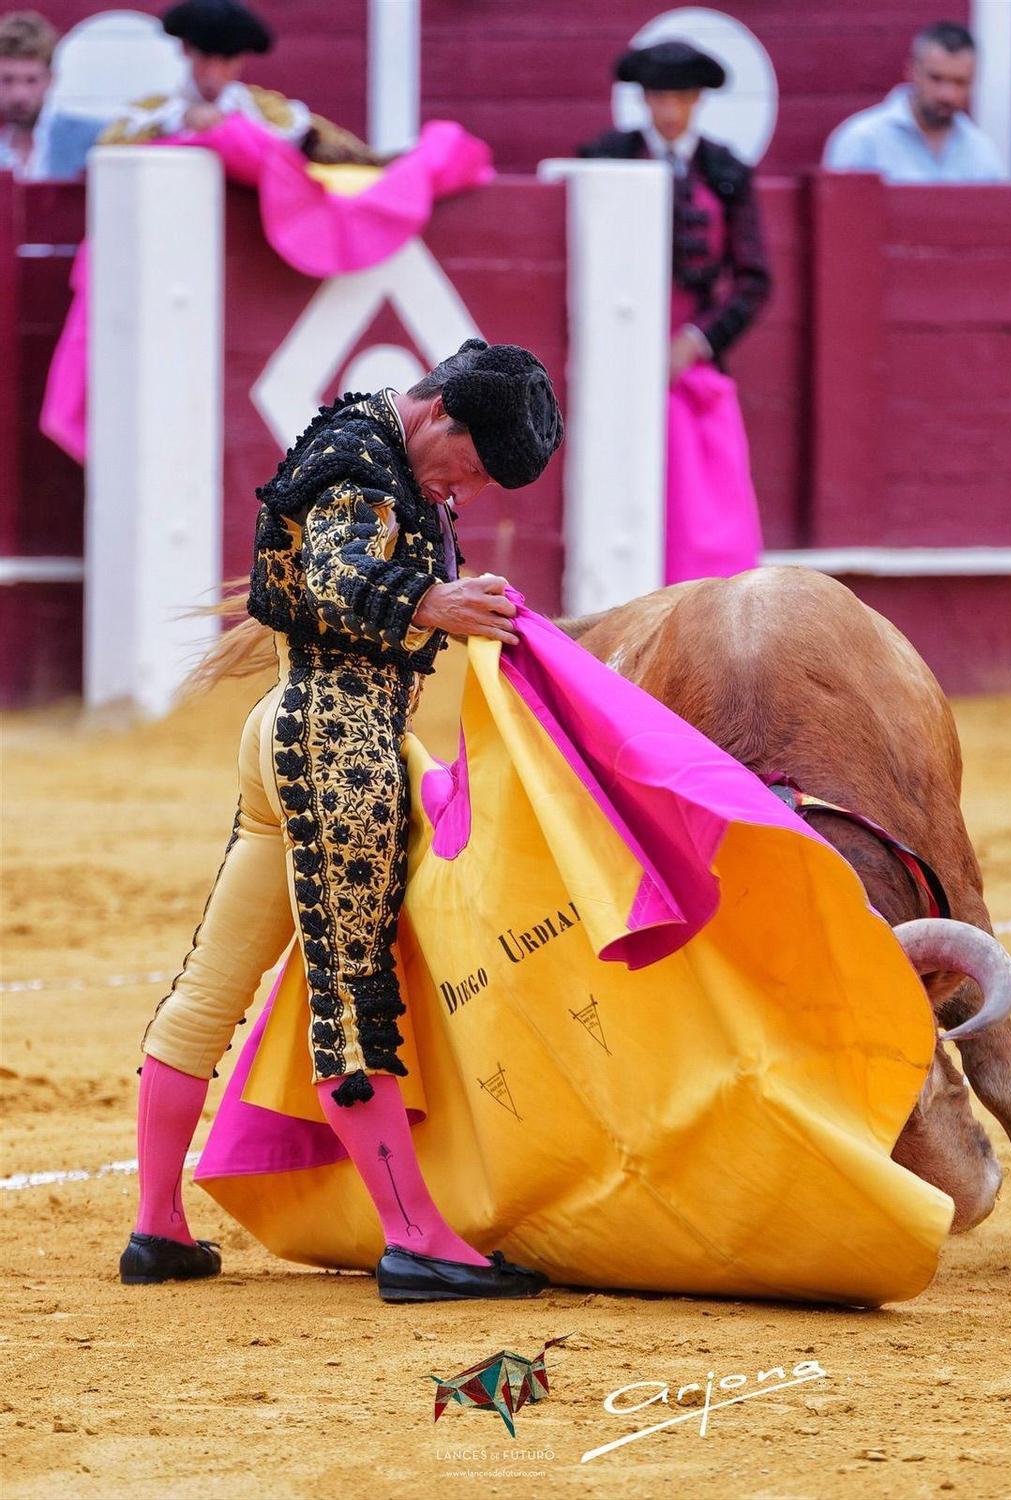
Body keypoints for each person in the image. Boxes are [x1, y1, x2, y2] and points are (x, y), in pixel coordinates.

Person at [121, 338, 565, 1305]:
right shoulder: (368, 469)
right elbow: (330, 577)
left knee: (213, 986)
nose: (471, 492)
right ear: (439, 412)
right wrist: (434, 600)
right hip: (340, 745)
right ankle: (415, 1237)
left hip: (287, 732)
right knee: (353, 995)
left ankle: (157, 1227)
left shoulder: (359, 432)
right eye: (476, 468)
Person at [578, 38, 770, 384]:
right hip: (614, 340)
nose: (670, 112)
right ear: (644, 99)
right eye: (660, 98)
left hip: (691, 350)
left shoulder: (726, 171)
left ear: (698, 99)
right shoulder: (605, 156)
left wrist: (698, 339)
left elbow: (753, 279)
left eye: (682, 98)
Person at [101, 0, 382, 164]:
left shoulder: (271, 111)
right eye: (207, 58)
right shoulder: (155, 112)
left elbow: (331, 145)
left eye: (226, 61)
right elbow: (107, 148)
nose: (214, 72)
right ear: (186, 50)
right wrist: (180, 120)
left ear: (241, 60)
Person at [822, 20, 1005, 183]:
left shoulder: (982, 152)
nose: (947, 94)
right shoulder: (861, 141)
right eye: (936, 78)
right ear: (912, 72)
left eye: (960, 82)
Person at [0, 11, 102, 180]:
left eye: (31, 80)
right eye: (7, 80)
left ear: (50, 79)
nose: (19, 94)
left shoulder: (93, 140)